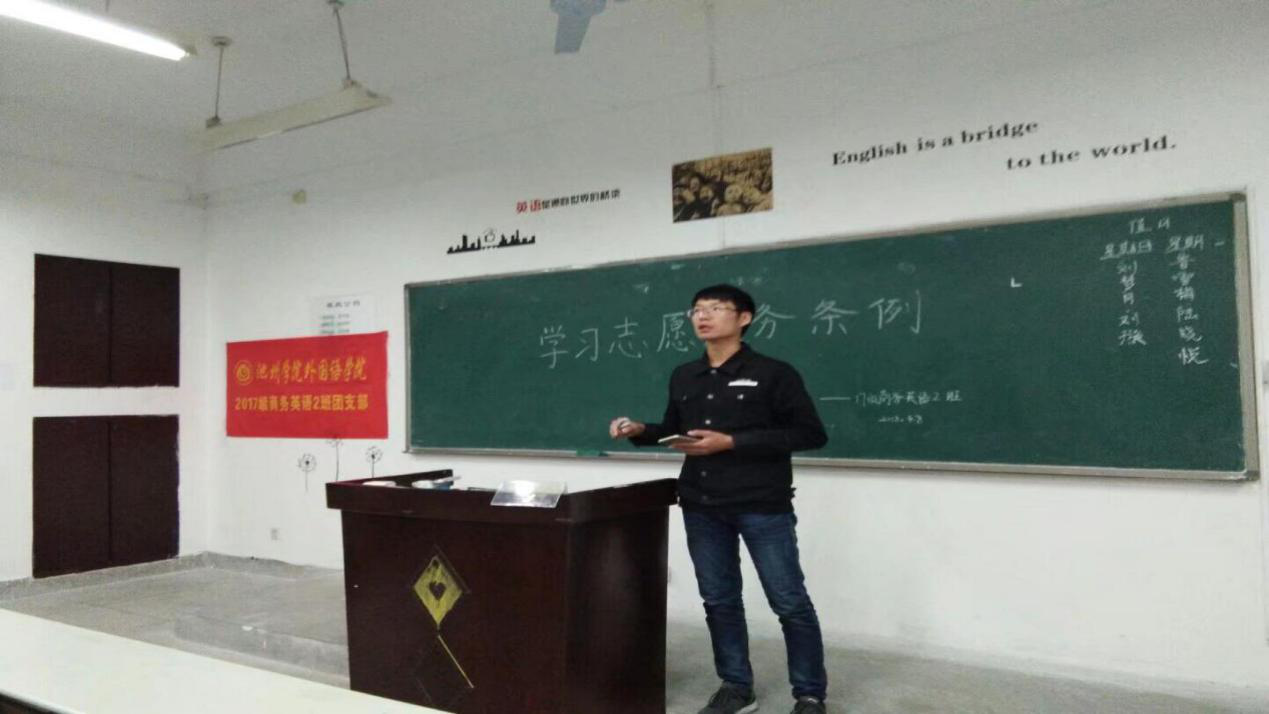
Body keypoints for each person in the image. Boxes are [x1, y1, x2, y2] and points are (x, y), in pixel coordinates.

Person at [608, 284, 829, 714]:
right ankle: (736, 687)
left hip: (761, 504)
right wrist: (642, 430)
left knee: (789, 601)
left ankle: (809, 694)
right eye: (696, 310)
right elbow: (675, 429)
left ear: (744, 318)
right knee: (719, 600)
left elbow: (810, 433)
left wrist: (733, 442)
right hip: (702, 504)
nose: (703, 316)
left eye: (715, 308)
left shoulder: (774, 373)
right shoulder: (684, 375)